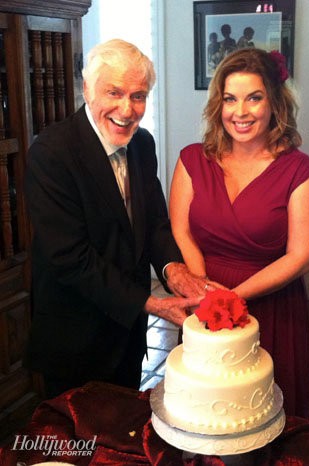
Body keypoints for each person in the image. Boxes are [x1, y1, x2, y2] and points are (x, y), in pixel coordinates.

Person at [23, 38, 206, 399]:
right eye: (115, 92)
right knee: (78, 448)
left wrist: (174, 270)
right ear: (87, 90)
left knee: (121, 439)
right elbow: (70, 259)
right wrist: (150, 303)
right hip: (74, 338)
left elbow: (153, 222)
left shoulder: (142, 144)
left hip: (126, 336)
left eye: (138, 95)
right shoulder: (51, 153)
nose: (127, 109)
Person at [169, 48, 309, 419]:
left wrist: (233, 299)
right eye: (230, 99)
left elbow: (302, 256)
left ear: (274, 102)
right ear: (218, 105)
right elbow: (180, 227)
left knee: (264, 418)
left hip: (272, 306)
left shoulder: (298, 170)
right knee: (204, 415)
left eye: (254, 98)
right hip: (205, 301)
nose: (240, 112)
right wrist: (204, 290)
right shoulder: (192, 159)